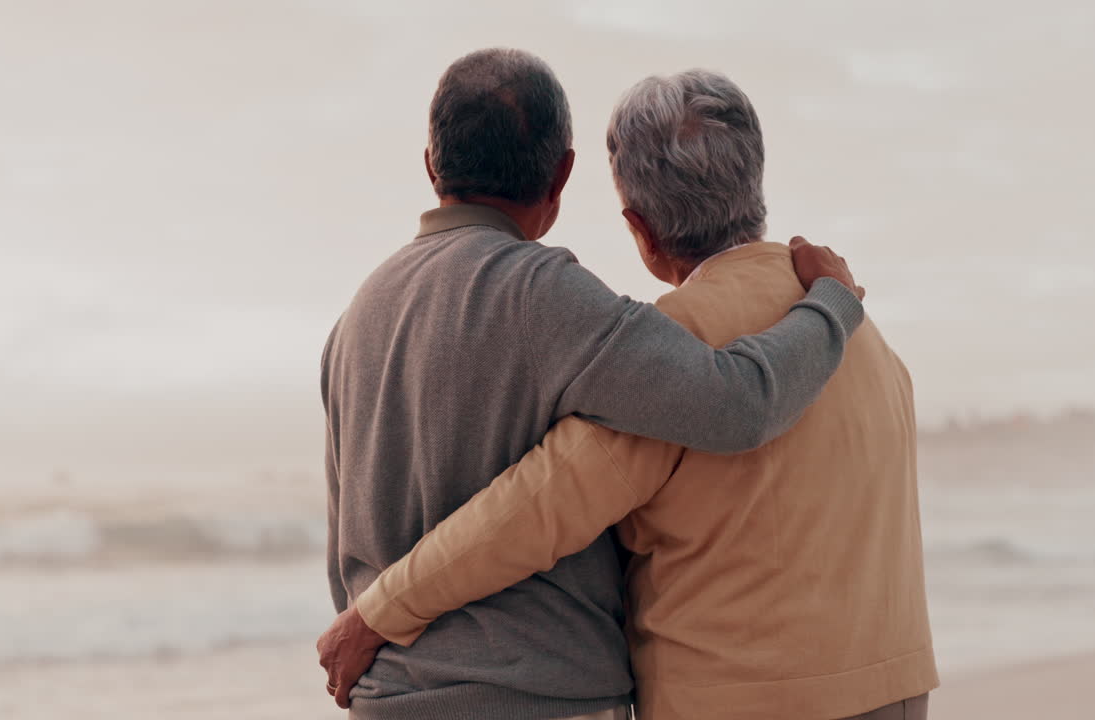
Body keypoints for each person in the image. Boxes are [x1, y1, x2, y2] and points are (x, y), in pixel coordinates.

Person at [318, 69, 935, 720]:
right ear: (753, 179)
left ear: (639, 227)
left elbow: (530, 515)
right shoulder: (868, 342)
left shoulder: (674, 348)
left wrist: (375, 613)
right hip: (896, 691)